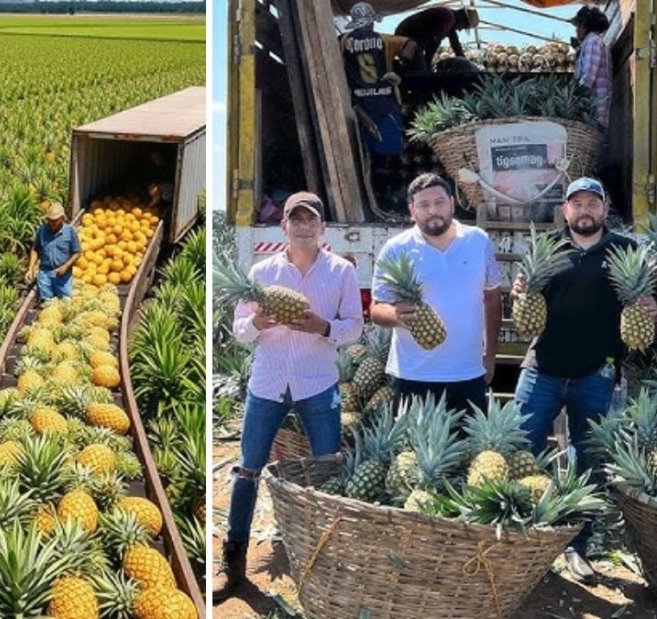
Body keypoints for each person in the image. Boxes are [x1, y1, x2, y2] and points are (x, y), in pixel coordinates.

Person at [214, 192, 364, 599]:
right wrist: (258, 322)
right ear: (284, 227)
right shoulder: (262, 272)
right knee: (248, 470)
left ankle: (325, 563)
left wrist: (323, 327)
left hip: (318, 383)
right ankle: (233, 562)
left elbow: (355, 327)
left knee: (326, 473)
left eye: (310, 219)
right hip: (267, 384)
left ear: (322, 227)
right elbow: (240, 330)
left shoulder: (341, 272)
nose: (303, 226)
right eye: (295, 220)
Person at [510, 177, 657, 584]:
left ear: (605, 209)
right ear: (566, 210)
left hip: (597, 371)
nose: (585, 210)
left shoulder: (626, 249)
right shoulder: (547, 247)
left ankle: (578, 544)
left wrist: (650, 302)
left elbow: (649, 300)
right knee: (521, 447)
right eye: (578, 203)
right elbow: (524, 298)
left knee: (588, 461)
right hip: (542, 367)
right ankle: (526, 538)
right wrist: (520, 293)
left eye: (593, 203)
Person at [370, 173, 502, 415]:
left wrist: (490, 354)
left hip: (468, 371)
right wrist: (396, 315)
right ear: (412, 211)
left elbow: (492, 298)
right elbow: (376, 309)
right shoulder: (395, 248)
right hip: (413, 374)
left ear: (452, 203)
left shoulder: (477, 240)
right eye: (424, 205)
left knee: (470, 441)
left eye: (439, 202)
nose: (433, 210)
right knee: (413, 441)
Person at [339, 2, 422, 201]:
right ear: (371, 23)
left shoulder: (343, 41)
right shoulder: (384, 40)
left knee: (364, 151)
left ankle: (370, 192)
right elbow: (411, 45)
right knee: (389, 151)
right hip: (386, 102)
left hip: (359, 104)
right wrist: (402, 70)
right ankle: (388, 194)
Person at [394, 6, 480, 72]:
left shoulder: (450, 22)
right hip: (407, 38)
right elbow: (433, 43)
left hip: (407, 37)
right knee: (419, 71)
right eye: (464, 26)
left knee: (418, 67)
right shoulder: (448, 17)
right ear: (462, 19)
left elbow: (456, 46)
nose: (460, 29)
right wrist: (428, 65)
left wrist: (467, 65)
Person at [26, 202, 81, 301]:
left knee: (65, 301)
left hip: (63, 274)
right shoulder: (42, 230)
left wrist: (65, 266)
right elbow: (35, 249)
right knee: (45, 301)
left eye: (55, 221)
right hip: (45, 272)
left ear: (62, 218)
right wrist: (31, 269)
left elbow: (77, 252)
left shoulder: (70, 231)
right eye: (50, 220)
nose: (52, 223)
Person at [572, 6, 612, 128]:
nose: (576, 31)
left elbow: (588, 76)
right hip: (594, 113)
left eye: (577, 26)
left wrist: (575, 99)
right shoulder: (591, 42)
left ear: (584, 25)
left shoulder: (592, 41)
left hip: (594, 112)